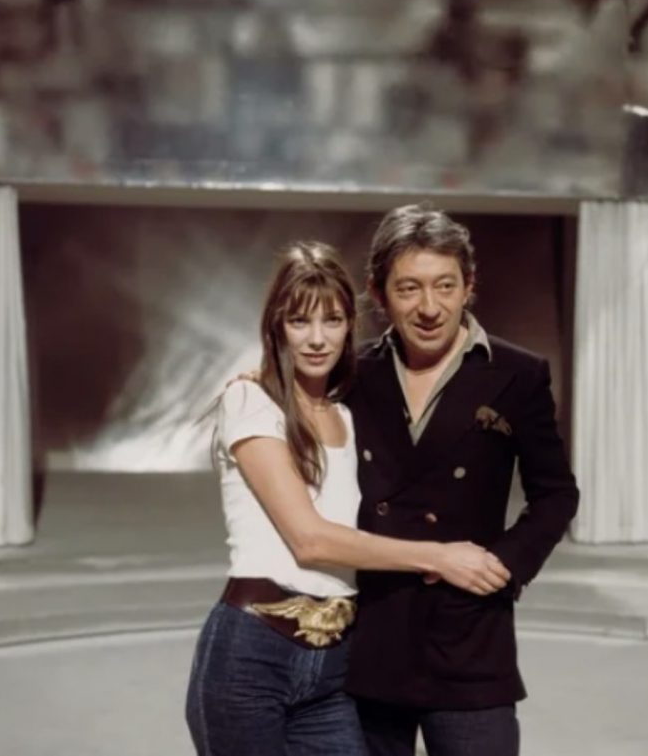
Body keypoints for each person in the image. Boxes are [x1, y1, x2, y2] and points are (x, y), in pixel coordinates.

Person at [185, 241, 511, 756]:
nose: (317, 338)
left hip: (334, 667)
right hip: (252, 656)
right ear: (276, 327)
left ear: (350, 325)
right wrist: (439, 557)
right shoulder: (251, 401)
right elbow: (310, 541)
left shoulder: (351, 414)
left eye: (332, 320)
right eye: (299, 321)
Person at [344, 204, 580, 756]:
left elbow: (556, 494)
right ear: (379, 294)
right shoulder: (352, 373)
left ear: (468, 285)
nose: (429, 307)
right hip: (373, 633)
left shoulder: (518, 374)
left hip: (470, 637)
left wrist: (503, 566)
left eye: (445, 285)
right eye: (409, 288)